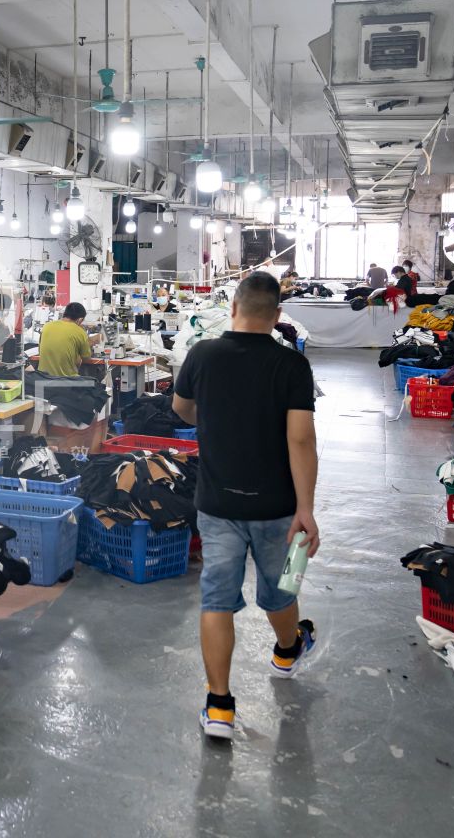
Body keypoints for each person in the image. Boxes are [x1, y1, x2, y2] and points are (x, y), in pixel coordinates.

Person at [171, 273, 319, 740]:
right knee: (281, 587)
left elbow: (181, 409)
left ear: (233, 308)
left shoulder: (202, 354)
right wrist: (307, 508)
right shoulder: (291, 365)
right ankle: (287, 651)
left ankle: (219, 706)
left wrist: (213, 416)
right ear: (277, 316)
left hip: (217, 502)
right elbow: (301, 439)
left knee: (216, 599)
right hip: (277, 505)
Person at [38, 302, 95, 378]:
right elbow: (87, 359)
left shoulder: (46, 326)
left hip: (42, 378)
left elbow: (40, 351)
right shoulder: (80, 332)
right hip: (67, 381)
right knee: (94, 382)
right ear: (80, 320)